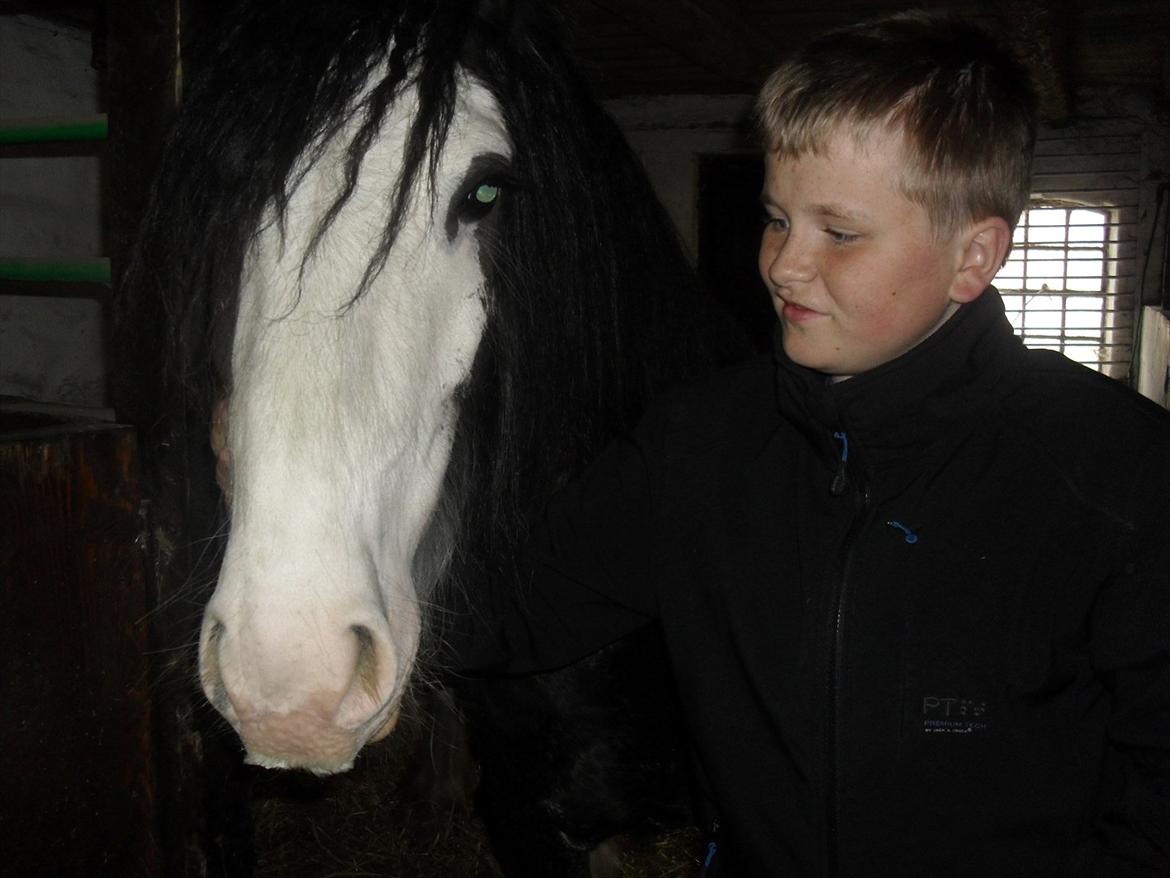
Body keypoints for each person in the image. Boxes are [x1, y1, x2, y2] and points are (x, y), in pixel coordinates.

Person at [445, 10, 1170, 878]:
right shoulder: (699, 445)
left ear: (972, 257)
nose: (783, 264)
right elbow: (506, 613)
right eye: (777, 218)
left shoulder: (1120, 475)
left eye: (840, 232)